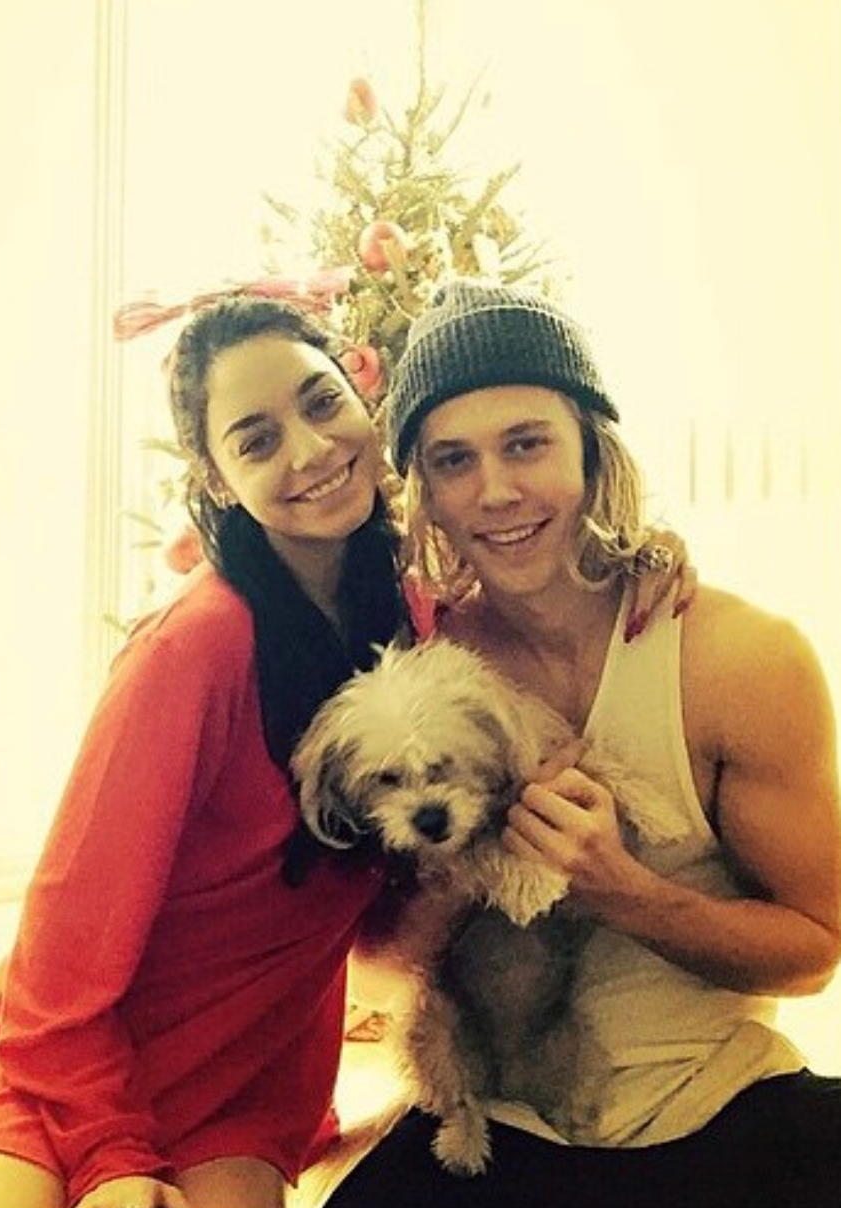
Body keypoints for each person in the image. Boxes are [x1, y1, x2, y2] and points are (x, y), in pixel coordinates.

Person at [0, 293, 687, 1208]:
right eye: (256, 440)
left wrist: (640, 557)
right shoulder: (190, 649)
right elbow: (61, 954)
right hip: (67, 1065)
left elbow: (543, 590)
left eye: (321, 403)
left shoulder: (417, 616)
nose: (311, 450)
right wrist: (111, 1159)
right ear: (215, 479)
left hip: (245, 1082)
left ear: (364, 400)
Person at [317, 280, 841, 1208]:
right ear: (424, 493)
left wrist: (626, 893)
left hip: (720, 1098)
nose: (496, 492)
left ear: (594, 452)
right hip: (503, 1122)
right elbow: (373, 974)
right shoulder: (419, 680)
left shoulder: (739, 661)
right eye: (453, 460)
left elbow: (816, 950)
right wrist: (461, 878)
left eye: (527, 443)